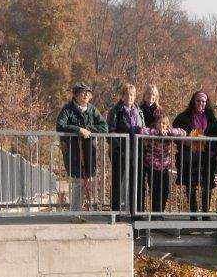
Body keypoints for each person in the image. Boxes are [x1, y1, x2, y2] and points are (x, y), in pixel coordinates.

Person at [56, 82, 108, 211]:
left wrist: (88, 129)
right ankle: (75, 212)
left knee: (88, 181)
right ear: (76, 94)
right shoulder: (68, 109)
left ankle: (86, 210)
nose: (85, 95)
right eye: (82, 92)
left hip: (89, 151)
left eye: (88, 93)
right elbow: (60, 125)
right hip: (73, 152)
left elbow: (104, 127)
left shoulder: (92, 110)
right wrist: (78, 129)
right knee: (78, 182)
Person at [173, 91, 217, 216]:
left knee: (207, 185)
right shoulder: (183, 117)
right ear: (193, 102)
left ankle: (206, 214)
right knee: (191, 185)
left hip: (207, 157)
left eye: (204, 101)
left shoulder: (211, 118)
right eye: (198, 101)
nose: (201, 104)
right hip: (189, 157)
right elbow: (176, 132)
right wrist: (186, 141)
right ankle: (193, 213)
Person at [107, 83, 145, 212]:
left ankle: (135, 211)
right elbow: (110, 132)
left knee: (135, 181)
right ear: (122, 96)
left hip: (136, 151)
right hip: (120, 151)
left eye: (132, 94)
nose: (130, 97)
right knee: (118, 181)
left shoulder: (139, 111)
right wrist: (120, 148)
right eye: (127, 94)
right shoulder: (115, 110)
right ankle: (115, 211)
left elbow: (143, 130)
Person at [140, 111, 186, 213]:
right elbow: (142, 131)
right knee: (155, 190)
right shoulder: (151, 132)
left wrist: (169, 132)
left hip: (165, 166)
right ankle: (156, 213)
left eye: (164, 124)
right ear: (156, 124)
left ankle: (160, 211)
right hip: (152, 166)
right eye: (160, 123)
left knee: (165, 190)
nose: (162, 125)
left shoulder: (168, 133)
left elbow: (183, 132)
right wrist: (156, 132)